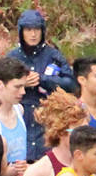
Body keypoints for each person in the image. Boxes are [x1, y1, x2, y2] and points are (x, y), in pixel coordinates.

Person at [13, 9, 76, 155]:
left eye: (37, 29)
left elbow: (71, 84)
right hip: (21, 122)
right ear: (21, 32)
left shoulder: (53, 56)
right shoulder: (12, 57)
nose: (33, 34)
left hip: (48, 121)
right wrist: (22, 83)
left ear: (43, 31)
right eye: (28, 30)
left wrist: (43, 80)